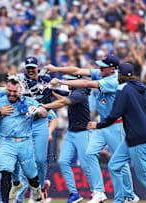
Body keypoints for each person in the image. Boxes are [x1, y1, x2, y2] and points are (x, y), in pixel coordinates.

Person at [44, 54, 138, 203]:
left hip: (116, 124)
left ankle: (130, 195)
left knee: (119, 161)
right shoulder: (102, 74)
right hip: (102, 124)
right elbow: (76, 71)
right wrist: (56, 69)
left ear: (112, 69)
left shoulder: (112, 80)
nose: (99, 68)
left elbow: (88, 84)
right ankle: (99, 191)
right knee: (89, 154)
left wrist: (60, 81)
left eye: (103, 66)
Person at [88, 63, 146, 203]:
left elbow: (115, 113)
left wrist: (99, 125)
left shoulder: (122, 89)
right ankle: (120, 200)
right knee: (114, 166)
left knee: (144, 176)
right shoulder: (144, 90)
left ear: (120, 75)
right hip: (133, 137)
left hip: (138, 139)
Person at [10, 56, 58, 202]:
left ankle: (38, 193)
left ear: (38, 67)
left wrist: (54, 83)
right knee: (24, 160)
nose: (30, 69)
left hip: (40, 122)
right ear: (25, 68)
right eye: (28, 67)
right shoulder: (20, 81)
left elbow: (53, 115)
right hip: (24, 122)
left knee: (41, 160)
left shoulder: (46, 80)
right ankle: (18, 197)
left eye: (33, 67)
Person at [42, 74, 94, 203]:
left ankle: (97, 193)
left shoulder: (79, 93)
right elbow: (64, 98)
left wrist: (45, 106)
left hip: (83, 133)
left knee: (86, 166)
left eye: (68, 80)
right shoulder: (75, 92)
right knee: (63, 161)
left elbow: (63, 102)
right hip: (71, 132)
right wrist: (52, 91)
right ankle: (74, 194)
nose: (66, 82)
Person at [0, 78, 48, 203]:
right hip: (7, 141)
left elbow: (45, 113)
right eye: (9, 90)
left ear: (20, 90)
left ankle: (37, 192)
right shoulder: (0, 101)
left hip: (25, 142)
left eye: (15, 91)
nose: (12, 94)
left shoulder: (29, 102)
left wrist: (37, 110)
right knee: (5, 172)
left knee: (31, 174)